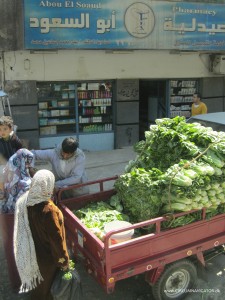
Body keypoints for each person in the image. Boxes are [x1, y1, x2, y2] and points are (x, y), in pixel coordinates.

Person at [13, 169, 69, 300]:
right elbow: (56, 242)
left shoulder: (24, 201)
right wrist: (63, 261)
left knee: (38, 287)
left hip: (31, 256)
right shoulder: (49, 211)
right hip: (47, 260)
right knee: (47, 290)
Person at [1, 148, 35, 213]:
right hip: (19, 214)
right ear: (23, 161)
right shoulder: (25, 182)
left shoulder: (6, 171)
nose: (28, 165)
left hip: (6, 213)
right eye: (27, 162)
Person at [0, 116, 23, 200]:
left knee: (20, 174)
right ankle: (1, 191)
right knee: (1, 172)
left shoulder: (14, 139)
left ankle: (19, 190)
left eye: (5, 129)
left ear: (10, 129)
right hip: (4, 164)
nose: (2, 132)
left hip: (15, 162)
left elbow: (20, 149)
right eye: (0, 130)